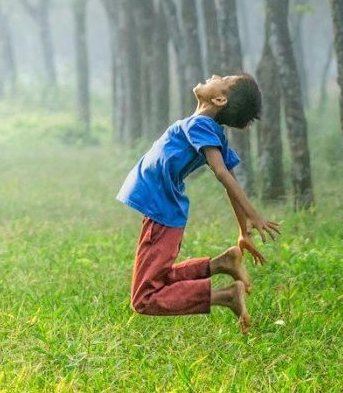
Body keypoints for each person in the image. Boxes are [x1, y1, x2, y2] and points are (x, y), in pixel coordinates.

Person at [116, 73, 279, 334]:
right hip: (161, 212)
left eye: (222, 78)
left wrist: (253, 215)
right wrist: (243, 231)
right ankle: (221, 264)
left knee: (144, 298)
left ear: (219, 98)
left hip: (162, 213)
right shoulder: (206, 128)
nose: (214, 75)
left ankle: (225, 296)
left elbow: (223, 173)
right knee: (159, 278)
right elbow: (229, 179)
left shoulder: (202, 125)